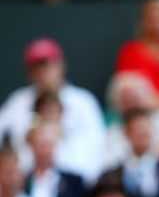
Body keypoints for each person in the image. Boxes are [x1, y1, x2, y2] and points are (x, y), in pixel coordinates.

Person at [0, 38, 106, 185]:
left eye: (48, 65)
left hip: (77, 187)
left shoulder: (84, 102)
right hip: (26, 185)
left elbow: (98, 149)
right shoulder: (18, 101)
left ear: (61, 65)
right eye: (37, 67)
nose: (44, 72)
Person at [99, 108, 159, 197]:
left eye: (147, 130)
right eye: (138, 130)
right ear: (126, 133)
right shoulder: (111, 177)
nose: (143, 135)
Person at [104, 71, 159, 169]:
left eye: (136, 99)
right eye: (127, 101)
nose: (133, 106)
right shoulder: (113, 132)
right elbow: (109, 165)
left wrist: (142, 152)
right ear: (118, 104)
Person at [24, 120, 86, 197]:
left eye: (49, 144)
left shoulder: (73, 182)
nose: (45, 150)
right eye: (40, 145)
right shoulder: (22, 182)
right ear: (31, 147)